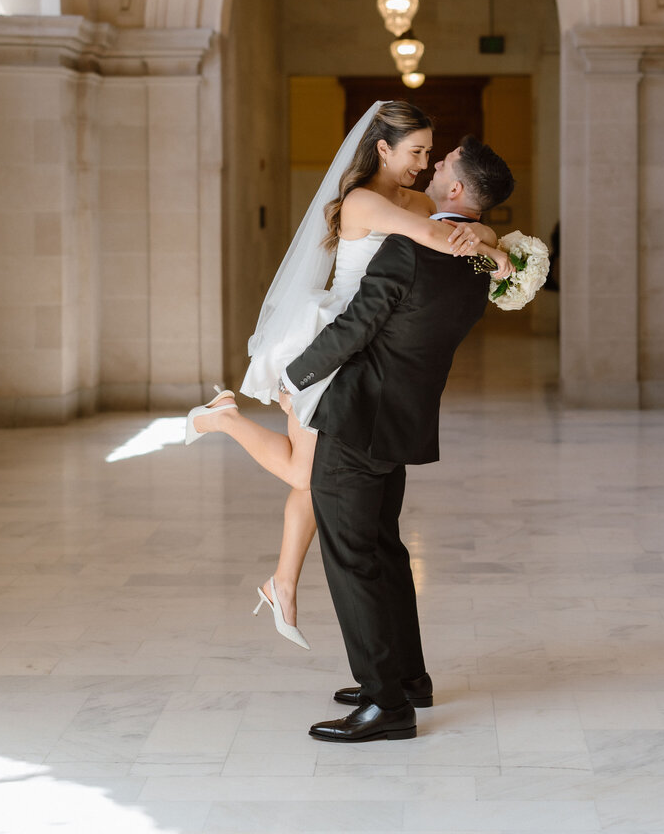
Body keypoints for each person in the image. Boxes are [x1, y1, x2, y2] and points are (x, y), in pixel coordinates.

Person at [184, 101, 510, 649]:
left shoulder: (414, 199)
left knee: (310, 476)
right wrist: (497, 255)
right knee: (305, 476)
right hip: (333, 336)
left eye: (432, 153)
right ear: (382, 148)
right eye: (416, 151)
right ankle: (225, 421)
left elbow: (457, 224)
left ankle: (281, 583)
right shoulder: (363, 199)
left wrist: (489, 242)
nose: (425, 164)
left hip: (363, 349)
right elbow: (434, 240)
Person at [277, 135, 515, 742]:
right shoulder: (480, 260)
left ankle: (387, 704)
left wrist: (293, 377)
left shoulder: (407, 250)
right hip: (404, 419)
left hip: (358, 417)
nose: (433, 168)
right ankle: (408, 677)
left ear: (456, 190)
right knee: (383, 549)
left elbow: (355, 329)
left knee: (354, 557)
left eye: (443, 166)